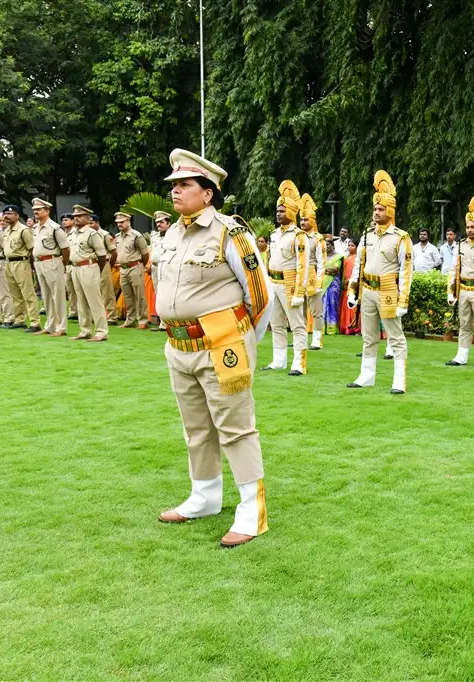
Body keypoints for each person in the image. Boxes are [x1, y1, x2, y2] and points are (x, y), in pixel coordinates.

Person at [155, 148, 273, 548]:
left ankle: (250, 511)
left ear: (208, 193)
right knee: (196, 429)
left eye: (185, 184)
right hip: (179, 345)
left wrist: (242, 341)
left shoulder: (230, 233)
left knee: (236, 429)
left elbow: (261, 295)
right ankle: (204, 497)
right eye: (174, 185)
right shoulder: (171, 232)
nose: (175, 191)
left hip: (222, 344)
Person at [346, 170, 413, 393]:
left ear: (390, 211)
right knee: (368, 336)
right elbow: (358, 265)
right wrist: (353, 291)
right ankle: (367, 375)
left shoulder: (401, 238)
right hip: (367, 290)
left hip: (387, 290)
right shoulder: (366, 236)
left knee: (395, 336)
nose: (376, 212)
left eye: (381, 209)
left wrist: (403, 301)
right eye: (375, 209)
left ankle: (399, 380)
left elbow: (406, 271)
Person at [263, 180, 310, 374]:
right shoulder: (274, 234)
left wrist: (300, 290)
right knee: (276, 323)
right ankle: (279, 360)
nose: (278, 214)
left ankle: (299, 362)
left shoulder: (299, 236)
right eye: (277, 211)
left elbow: (303, 264)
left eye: (282, 211)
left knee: (297, 324)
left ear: (291, 212)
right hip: (273, 282)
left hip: (290, 284)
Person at [445, 196, 474, 369]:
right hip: (463, 289)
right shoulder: (460, 245)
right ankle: (461, 355)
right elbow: (453, 269)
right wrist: (451, 291)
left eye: (473, 227)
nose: (470, 230)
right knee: (464, 324)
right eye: (468, 227)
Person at [68, 205, 109, 342]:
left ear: (87, 218)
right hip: (75, 267)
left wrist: (97, 269)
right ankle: (85, 330)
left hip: (89, 266)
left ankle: (101, 331)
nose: (76, 219)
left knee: (94, 300)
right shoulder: (73, 233)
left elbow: (102, 255)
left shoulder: (92, 233)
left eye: (79, 216)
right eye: (74, 217)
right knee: (81, 300)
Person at [31, 198, 70, 336]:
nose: (35, 212)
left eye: (39, 210)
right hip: (39, 262)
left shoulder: (54, 228)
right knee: (46, 296)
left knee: (57, 295)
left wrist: (63, 264)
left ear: (47, 211)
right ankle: (50, 325)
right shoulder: (35, 228)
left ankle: (61, 327)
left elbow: (65, 249)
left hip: (52, 261)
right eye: (34, 210)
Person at [0, 204, 40, 331]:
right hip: (9, 263)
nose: (7, 216)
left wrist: (33, 266)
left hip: (21, 262)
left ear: (17, 215)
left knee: (28, 293)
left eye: (10, 214)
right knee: (15, 294)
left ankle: (35, 322)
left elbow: (31, 248)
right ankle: (19, 319)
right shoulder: (6, 230)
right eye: (5, 214)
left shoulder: (23, 230)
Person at [113, 211, 151, 330]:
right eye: (118, 222)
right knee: (128, 296)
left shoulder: (136, 235)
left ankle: (143, 320)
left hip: (135, 266)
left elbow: (145, 253)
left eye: (122, 222)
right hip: (123, 268)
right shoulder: (117, 236)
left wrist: (140, 265)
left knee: (139, 295)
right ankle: (130, 320)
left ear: (128, 221)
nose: (120, 224)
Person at [299, 193, 327, 350]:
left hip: (311, 275)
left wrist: (319, 282)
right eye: (301, 220)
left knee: (316, 311)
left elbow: (322, 262)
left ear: (313, 221)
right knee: (299, 310)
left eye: (306, 220)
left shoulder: (318, 239)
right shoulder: (297, 236)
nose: (303, 222)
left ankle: (317, 339)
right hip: (298, 276)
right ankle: (301, 338)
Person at [147, 210, 172, 330]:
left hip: (168, 267)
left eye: (162, 222)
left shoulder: (174, 235)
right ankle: (163, 323)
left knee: (169, 294)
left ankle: (170, 323)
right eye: (157, 222)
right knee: (159, 294)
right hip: (156, 267)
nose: (159, 225)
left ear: (168, 223)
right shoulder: (154, 236)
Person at [339, 240, 360, 335]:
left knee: (352, 306)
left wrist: (349, 281)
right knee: (344, 305)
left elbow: (355, 272)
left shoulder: (357, 258)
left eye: (352, 245)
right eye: (349, 245)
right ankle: (345, 327)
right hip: (344, 283)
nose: (350, 247)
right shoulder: (346, 257)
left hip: (352, 283)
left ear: (357, 247)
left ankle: (354, 328)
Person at [322, 239, 343, 335]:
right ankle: (323, 328)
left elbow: (336, 269)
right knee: (323, 304)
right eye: (325, 245)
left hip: (334, 284)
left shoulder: (338, 257)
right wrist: (328, 270)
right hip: (323, 283)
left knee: (333, 304)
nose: (326, 247)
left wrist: (323, 269)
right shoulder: (322, 256)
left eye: (328, 245)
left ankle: (332, 329)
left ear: (332, 245)